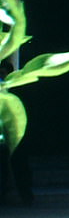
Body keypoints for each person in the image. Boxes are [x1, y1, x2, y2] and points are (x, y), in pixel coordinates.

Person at [0, 59, 33, 206]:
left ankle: (26, 195)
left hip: (14, 133)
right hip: (4, 134)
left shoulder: (15, 87)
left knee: (19, 164)